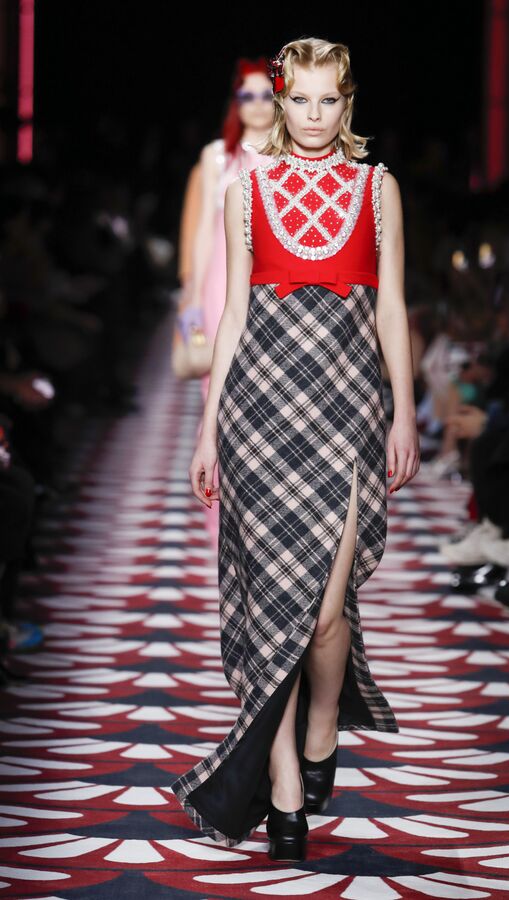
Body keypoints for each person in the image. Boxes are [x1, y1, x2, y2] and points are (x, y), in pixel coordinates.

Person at [170, 36, 419, 861]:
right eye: (300, 99)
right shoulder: (246, 189)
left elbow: (391, 308)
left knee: (325, 613)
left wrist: (404, 413)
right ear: (281, 101)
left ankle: (322, 722)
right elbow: (234, 315)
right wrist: (207, 427)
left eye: (329, 100)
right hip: (258, 414)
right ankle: (283, 783)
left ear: (348, 104)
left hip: (348, 412)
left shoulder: (377, 188)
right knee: (271, 607)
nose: (314, 116)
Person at [177, 57, 273, 551]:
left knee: (266, 400)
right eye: (246, 95)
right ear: (235, 103)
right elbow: (199, 235)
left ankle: (264, 514)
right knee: (218, 398)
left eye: (265, 94)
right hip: (220, 289)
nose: (256, 104)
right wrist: (192, 298)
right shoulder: (216, 157)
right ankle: (221, 516)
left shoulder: (288, 157)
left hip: (269, 288)